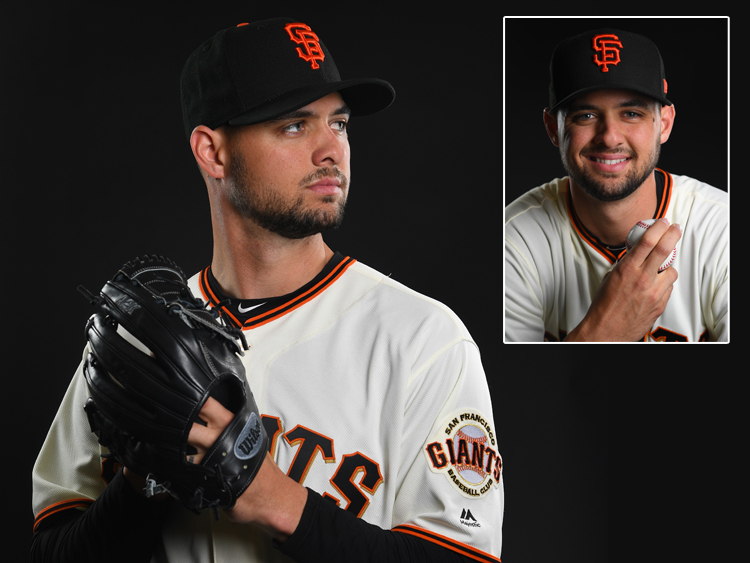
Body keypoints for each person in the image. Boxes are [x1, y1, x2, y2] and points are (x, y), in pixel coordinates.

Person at [31, 17, 503, 562]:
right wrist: (142, 484)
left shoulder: (421, 340)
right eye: (295, 125)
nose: (331, 150)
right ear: (213, 152)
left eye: (340, 123)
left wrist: (278, 502)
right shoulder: (140, 342)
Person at [504, 27, 728, 342]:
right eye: (585, 116)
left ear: (663, 124)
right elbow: (511, 389)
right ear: (552, 129)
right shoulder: (513, 241)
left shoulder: (724, 229)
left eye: (632, 113)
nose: (609, 136)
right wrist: (608, 329)